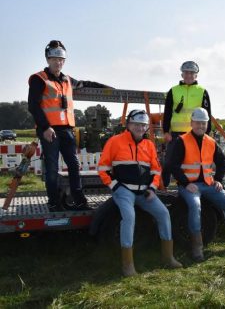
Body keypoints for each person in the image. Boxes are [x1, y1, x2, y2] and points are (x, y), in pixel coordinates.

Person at [98, 110, 182, 276]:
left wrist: (152, 188)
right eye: (136, 124)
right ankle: (128, 265)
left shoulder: (149, 145)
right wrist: (116, 187)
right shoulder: (115, 141)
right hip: (124, 191)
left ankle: (168, 257)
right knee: (129, 217)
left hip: (145, 192)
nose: (140, 128)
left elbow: (156, 170)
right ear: (128, 125)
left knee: (164, 213)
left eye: (143, 125)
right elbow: (102, 169)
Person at [28, 40, 107, 212]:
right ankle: (54, 203)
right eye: (54, 59)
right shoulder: (38, 79)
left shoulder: (67, 80)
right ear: (48, 59)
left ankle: (79, 200)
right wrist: (45, 127)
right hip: (49, 130)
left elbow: (85, 84)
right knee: (52, 168)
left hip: (66, 130)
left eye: (61, 59)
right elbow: (33, 106)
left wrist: (107, 88)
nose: (58, 62)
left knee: (74, 166)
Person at [165, 108, 225, 262]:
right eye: (198, 123)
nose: (200, 126)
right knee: (195, 205)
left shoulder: (211, 142)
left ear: (206, 125)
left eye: (203, 123)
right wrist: (185, 183)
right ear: (192, 123)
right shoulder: (182, 141)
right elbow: (173, 165)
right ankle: (197, 249)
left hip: (208, 184)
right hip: (189, 186)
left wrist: (218, 179)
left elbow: (221, 162)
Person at [162, 61, 212, 186]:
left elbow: (207, 114)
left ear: (196, 75)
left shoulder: (202, 91)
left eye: (192, 73)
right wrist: (165, 131)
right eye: (186, 73)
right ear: (182, 74)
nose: (189, 75)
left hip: (194, 133)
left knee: (196, 163)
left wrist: (207, 133)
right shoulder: (173, 91)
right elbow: (167, 113)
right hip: (175, 134)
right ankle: (164, 187)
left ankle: (198, 185)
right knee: (168, 162)